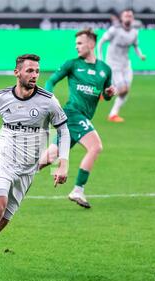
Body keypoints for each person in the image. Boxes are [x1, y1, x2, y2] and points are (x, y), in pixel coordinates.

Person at [0, 54, 70, 281]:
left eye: (37, 71)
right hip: (3, 160)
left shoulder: (49, 101)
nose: (34, 75)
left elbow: (64, 130)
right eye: (29, 71)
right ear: (17, 72)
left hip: (28, 170)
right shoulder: (0, 98)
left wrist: (63, 164)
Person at [39, 29, 116, 209]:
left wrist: (109, 93)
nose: (77, 47)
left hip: (81, 118)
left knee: (50, 157)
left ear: (91, 44)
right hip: (72, 114)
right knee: (95, 146)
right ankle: (78, 190)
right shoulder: (72, 64)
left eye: (80, 43)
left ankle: (15, 176)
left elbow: (106, 94)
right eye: (76, 44)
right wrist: (51, 100)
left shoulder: (105, 70)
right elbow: (50, 81)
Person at [97, 9, 146, 123]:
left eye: (130, 16)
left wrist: (140, 55)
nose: (128, 17)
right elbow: (100, 43)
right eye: (126, 15)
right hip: (114, 64)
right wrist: (100, 58)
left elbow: (135, 46)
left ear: (132, 18)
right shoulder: (114, 30)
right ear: (121, 18)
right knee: (123, 89)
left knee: (126, 91)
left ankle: (113, 113)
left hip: (126, 65)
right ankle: (105, 94)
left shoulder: (134, 32)